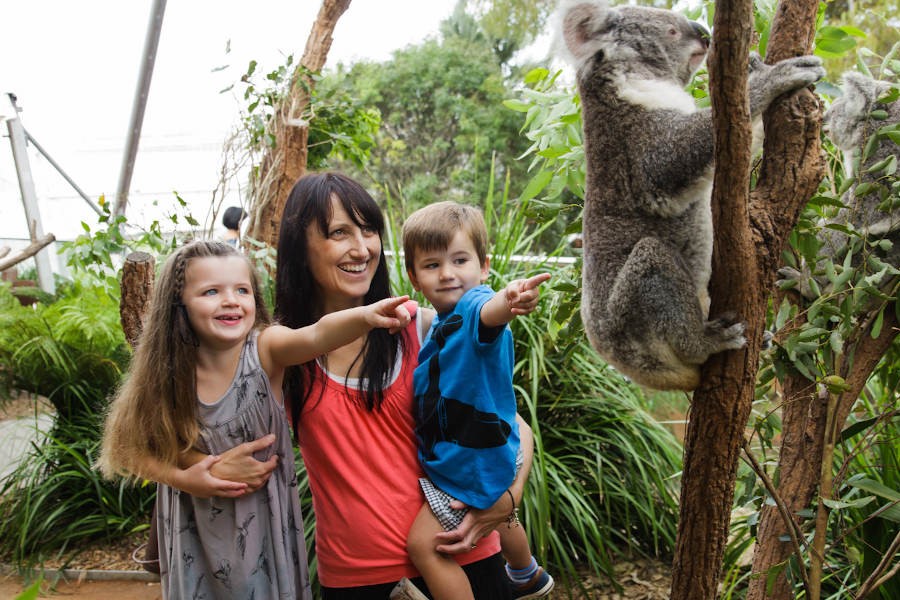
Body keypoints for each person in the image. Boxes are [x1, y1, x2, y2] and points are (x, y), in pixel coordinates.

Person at [161, 172, 534, 598]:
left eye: (369, 230)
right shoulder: (279, 350)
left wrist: (508, 497)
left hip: (461, 553)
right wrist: (198, 473)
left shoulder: (424, 328)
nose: (362, 248)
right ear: (301, 248)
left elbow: (513, 425)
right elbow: (163, 441)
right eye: (339, 232)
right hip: (359, 577)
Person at [98, 239, 411, 599]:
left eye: (241, 290)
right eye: (211, 291)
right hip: (193, 535)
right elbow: (128, 449)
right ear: (178, 302)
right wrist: (186, 478)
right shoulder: (166, 371)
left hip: (263, 530)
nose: (230, 300)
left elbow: (316, 334)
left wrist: (365, 316)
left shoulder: (265, 349)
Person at [402, 201, 554, 600]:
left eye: (460, 260)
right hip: (492, 444)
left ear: (483, 266)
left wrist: (511, 299)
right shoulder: (439, 326)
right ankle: (526, 574)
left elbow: (490, 312)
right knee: (499, 516)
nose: (448, 273)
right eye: (432, 265)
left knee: (424, 546)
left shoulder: (472, 308)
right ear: (413, 277)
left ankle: (519, 575)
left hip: (475, 460)